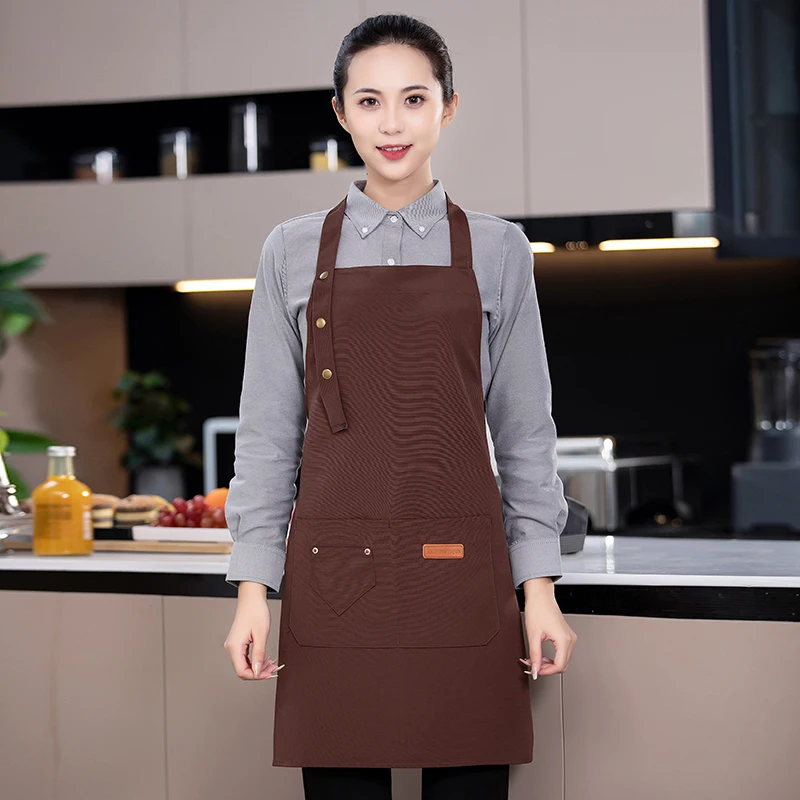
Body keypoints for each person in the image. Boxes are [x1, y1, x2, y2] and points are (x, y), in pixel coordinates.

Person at [222, 13, 577, 800]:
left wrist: (540, 590)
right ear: (341, 113)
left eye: (414, 99)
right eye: (370, 101)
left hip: (460, 579)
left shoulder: (500, 250)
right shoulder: (288, 251)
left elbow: (525, 433)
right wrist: (252, 591)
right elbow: (268, 434)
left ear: (448, 108)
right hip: (334, 584)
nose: (392, 124)